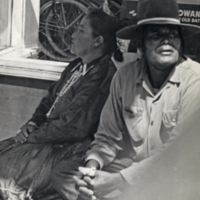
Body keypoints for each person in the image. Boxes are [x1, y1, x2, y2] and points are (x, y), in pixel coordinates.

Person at [73, 0, 200, 199]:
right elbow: (107, 137)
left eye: (173, 35)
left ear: (181, 42)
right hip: (133, 171)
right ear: (141, 43)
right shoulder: (124, 77)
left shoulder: (195, 81)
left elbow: (177, 154)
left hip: (180, 177)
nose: (166, 41)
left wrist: (118, 181)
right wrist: (92, 170)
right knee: (78, 183)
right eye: (157, 35)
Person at [0, 9, 124, 200]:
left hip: (68, 147)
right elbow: (50, 100)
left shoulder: (102, 75)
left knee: (6, 174)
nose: (72, 35)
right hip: (45, 137)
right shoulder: (76, 65)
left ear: (97, 41)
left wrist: (33, 136)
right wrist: (33, 122)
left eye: (81, 30)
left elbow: (74, 126)